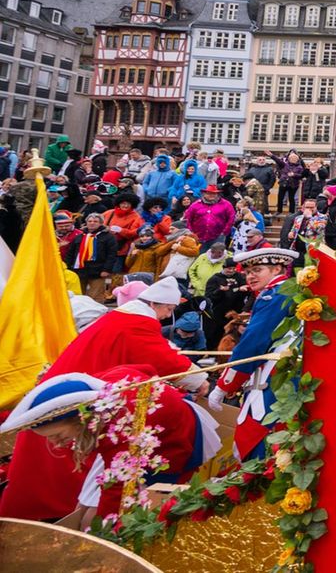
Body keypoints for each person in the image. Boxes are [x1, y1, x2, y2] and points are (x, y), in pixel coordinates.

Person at [0, 277, 208, 520]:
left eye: (171, 311)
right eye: (168, 310)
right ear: (153, 304)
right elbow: (160, 361)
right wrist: (199, 379)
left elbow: (118, 484)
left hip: (163, 437)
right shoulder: (134, 324)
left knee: (89, 489)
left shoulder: (115, 419)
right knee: (70, 481)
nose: (166, 316)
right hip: (87, 401)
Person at [0, 366, 221, 522]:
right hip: (134, 435)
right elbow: (141, 368)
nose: (56, 444)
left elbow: (118, 493)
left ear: (81, 418)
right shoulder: (97, 396)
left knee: (148, 508)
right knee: (86, 506)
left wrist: (103, 540)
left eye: (57, 435)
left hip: (170, 443)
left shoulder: (121, 428)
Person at [209, 247, 300, 459]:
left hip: (274, 377)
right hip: (283, 373)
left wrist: (224, 385)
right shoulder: (283, 291)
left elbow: (252, 344)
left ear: (277, 268)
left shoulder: (275, 295)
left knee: (259, 437)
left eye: (257, 270)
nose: (250, 276)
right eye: (248, 272)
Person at [201, 256, 251, 349]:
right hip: (218, 312)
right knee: (215, 333)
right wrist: (220, 291)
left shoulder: (239, 277)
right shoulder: (215, 279)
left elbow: (246, 289)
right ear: (224, 268)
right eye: (229, 268)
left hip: (235, 311)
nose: (231, 271)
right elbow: (209, 296)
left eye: (233, 268)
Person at [66, 212, 118, 300]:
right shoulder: (79, 236)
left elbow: (112, 254)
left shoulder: (108, 237)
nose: (92, 223)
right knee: (77, 296)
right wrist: (68, 268)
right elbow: (71, 253)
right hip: (80, 271)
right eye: (90, 221)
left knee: (95, 296)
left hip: (98, 271)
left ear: (101, 223)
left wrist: (106, 269)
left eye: (95, 221)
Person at [101, 192, 144, 257]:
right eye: (123, 203)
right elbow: (97, 223)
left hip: (121, 249)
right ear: (119, 203)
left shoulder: (136, 217)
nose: (126, 206)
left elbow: (135, 233)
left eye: (128, 204)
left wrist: (121, 230)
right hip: (103, 246)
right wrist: (104, 228)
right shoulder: (109, 212)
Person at [275, 150, 305, 214]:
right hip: (284, 183)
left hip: (293, 184)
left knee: (291, 198)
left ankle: (291, 211)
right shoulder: (285, 165)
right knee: (280, 197)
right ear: (289, 159)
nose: (293, 159)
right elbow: (278, 160)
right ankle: (279, 211)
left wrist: (294, 175)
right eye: (291, 158)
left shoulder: (300, 167)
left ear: (297, 159)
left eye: (295, 158)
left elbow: (302, 175)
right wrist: (271, 155)